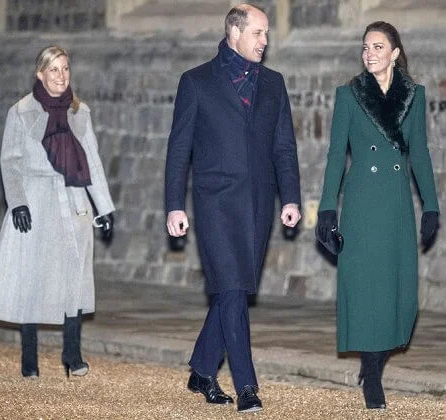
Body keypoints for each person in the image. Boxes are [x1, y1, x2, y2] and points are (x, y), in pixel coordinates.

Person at [165, 4, 301, 413]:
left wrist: (291, 196)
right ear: (235, 33)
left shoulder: (274, 84)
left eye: (266, 34)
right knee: (231, 289)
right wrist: (174, 205)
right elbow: (178, 151)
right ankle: (247, 387)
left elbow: (284, 147)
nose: (265, 41)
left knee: (234, 290)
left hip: (259, 204)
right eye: (259, 33)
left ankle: (203, 368)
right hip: (215, 205)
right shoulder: (196, 82)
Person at [316, 21, 439, 410]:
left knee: (399, 293)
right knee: (366, 288)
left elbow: (419, 152)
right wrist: (326, 209)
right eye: (365, 46)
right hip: (363, 202)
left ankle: (375, 361)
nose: (369, 53)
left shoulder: (414, 96)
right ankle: (372, 375)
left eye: (378, 46)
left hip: (397, 203)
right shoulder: (349, 95)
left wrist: (432, 205)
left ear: (395, 53)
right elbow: (337, 154)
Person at [0, 46, 115, 379]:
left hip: (73, 201)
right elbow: (10, 161)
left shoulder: (80, 112)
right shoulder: (21, 111)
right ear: (40, 73)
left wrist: (105, 208)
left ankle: (73, 354)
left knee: (75, 277)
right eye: (53, 70)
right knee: (33, 279)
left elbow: (93, 161)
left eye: (65, 68)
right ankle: (29, 358)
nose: (61, 76)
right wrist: (18, 202)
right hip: (36, 200)